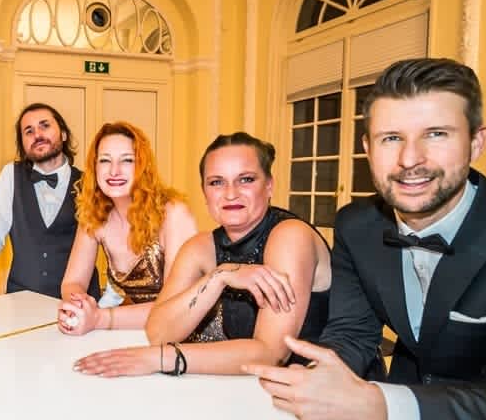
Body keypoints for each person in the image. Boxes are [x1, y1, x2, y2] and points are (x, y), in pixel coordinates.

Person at [243, 57, 486, 420]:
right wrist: (308, 381)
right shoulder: (357, 225)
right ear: (367, 148)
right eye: (391, 138)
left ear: (476, 142)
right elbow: (352, 335)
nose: (410, 159)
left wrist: (377, 404)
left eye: (436, 134)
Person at [74, 132, 331, 377]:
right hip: (242, 388)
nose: (231, 193)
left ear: (269, 186)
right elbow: (159, 332)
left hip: (311, 392)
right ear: (204, 192)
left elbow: (270, 354)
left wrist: (161, 359)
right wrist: (219, 276)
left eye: (246, 179)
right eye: (216, 182)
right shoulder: (201, 246)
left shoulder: (290, 235)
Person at [57, 121, 197, 335]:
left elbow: (174, 308)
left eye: (127, 160)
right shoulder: (94, 214)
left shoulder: (173, 213)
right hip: (141, 332)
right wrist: (78, 305)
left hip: (193, 335)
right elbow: (72, 282)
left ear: (142, 166)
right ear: (94, 167)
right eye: (105, 160)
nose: (114, 171)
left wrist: (99, 318)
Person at [0, 103, 99, 309]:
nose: (37, 135)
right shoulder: (11, 175)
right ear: (22, 143)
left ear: (64, 134)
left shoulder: (89, 184)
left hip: (78, 305)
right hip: (22, 303)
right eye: (28, 131)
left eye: (45, 126)